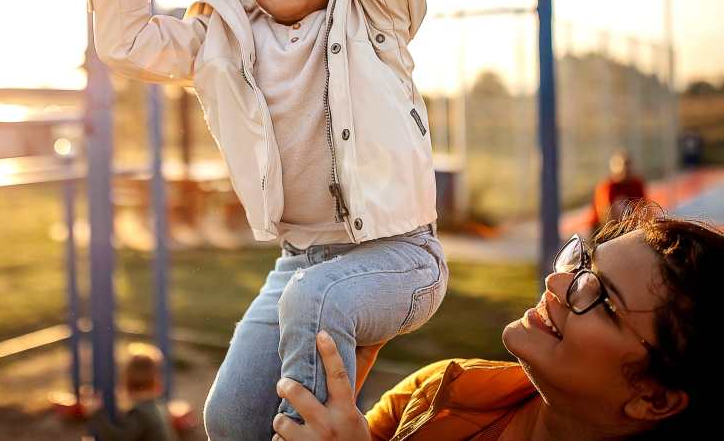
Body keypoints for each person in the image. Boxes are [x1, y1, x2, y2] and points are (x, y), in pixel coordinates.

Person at [90, 0, 444, 438]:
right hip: (300, 260)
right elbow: (126, 43)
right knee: (227, 418)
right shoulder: (223, 36)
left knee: (316, 303)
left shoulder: (375, 15)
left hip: (399, 258)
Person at [271, 201, 724, 441]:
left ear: (656, 399)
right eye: (581, 263)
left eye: (601, 298)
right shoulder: (442, 391)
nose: (556, 283)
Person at [84, 343, 176, 441]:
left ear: (128, 380)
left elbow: (118, 438)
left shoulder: (140, 413)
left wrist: (97, 414)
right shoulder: (153, 406)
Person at [588, 150, 647, 233]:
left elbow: (644, 210)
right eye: (622, 165)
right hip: (601, 229)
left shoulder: (637, 184)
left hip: (627, 227)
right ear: (613, 168)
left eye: (628, 165)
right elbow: (605, 216)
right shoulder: (606, 187)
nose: (625, 169)